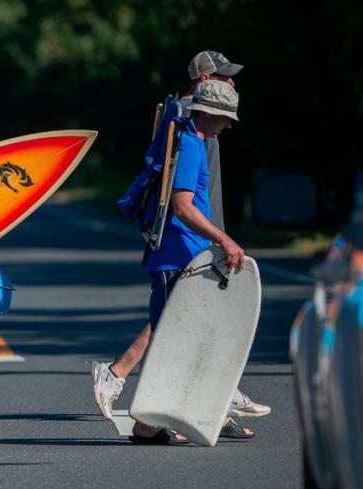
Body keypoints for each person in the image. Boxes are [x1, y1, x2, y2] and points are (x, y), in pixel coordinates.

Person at [92, 52, 269, 428]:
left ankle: (153, 422)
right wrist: (224, 239)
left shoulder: (190, 133)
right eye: (226, 118)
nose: (229, 125)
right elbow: (183, 206)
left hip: (183, 250)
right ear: (209, 105)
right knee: (186, 332)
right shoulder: (191, 142)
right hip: (182, 250)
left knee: (175, 332)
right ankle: (187, 405)